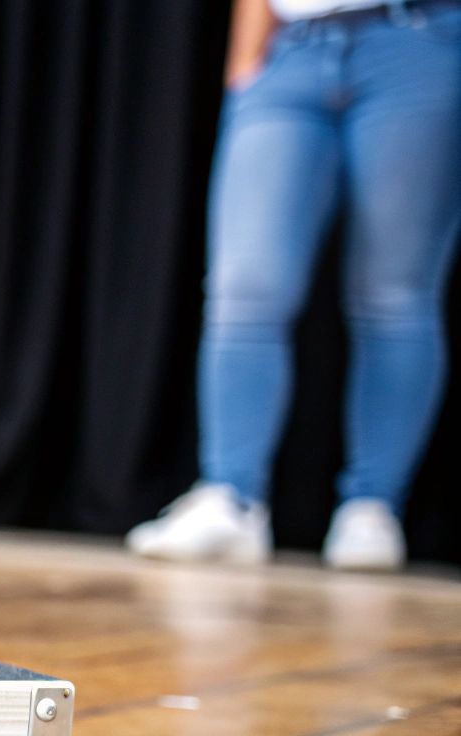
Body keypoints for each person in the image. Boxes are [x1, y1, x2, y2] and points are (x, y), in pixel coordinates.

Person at [128, 0, 461, 570]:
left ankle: (373, 507)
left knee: (393, 294)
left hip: (418, 38)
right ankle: (232, 497)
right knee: (244, 290)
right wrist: (246, 59)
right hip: (291, 48)